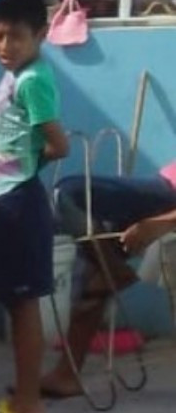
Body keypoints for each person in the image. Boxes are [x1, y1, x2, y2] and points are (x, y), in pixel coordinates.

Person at [0, 0, 70, 413]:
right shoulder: (18, 75)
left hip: (18, 202)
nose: (5, 47)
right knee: (14, 301)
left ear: (41, 36)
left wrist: (25, 168)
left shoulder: (33, 80)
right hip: (4, 196)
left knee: (24, 303)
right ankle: (24, 393)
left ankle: (29, 405)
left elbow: (57, 144)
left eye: (17, 38)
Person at [37, 161, 176, 398]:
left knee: (68, 192)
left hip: (167, 193)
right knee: (93, 268)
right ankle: (67, 375)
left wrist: (160, 223)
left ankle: (112, 269)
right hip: (163, 187)